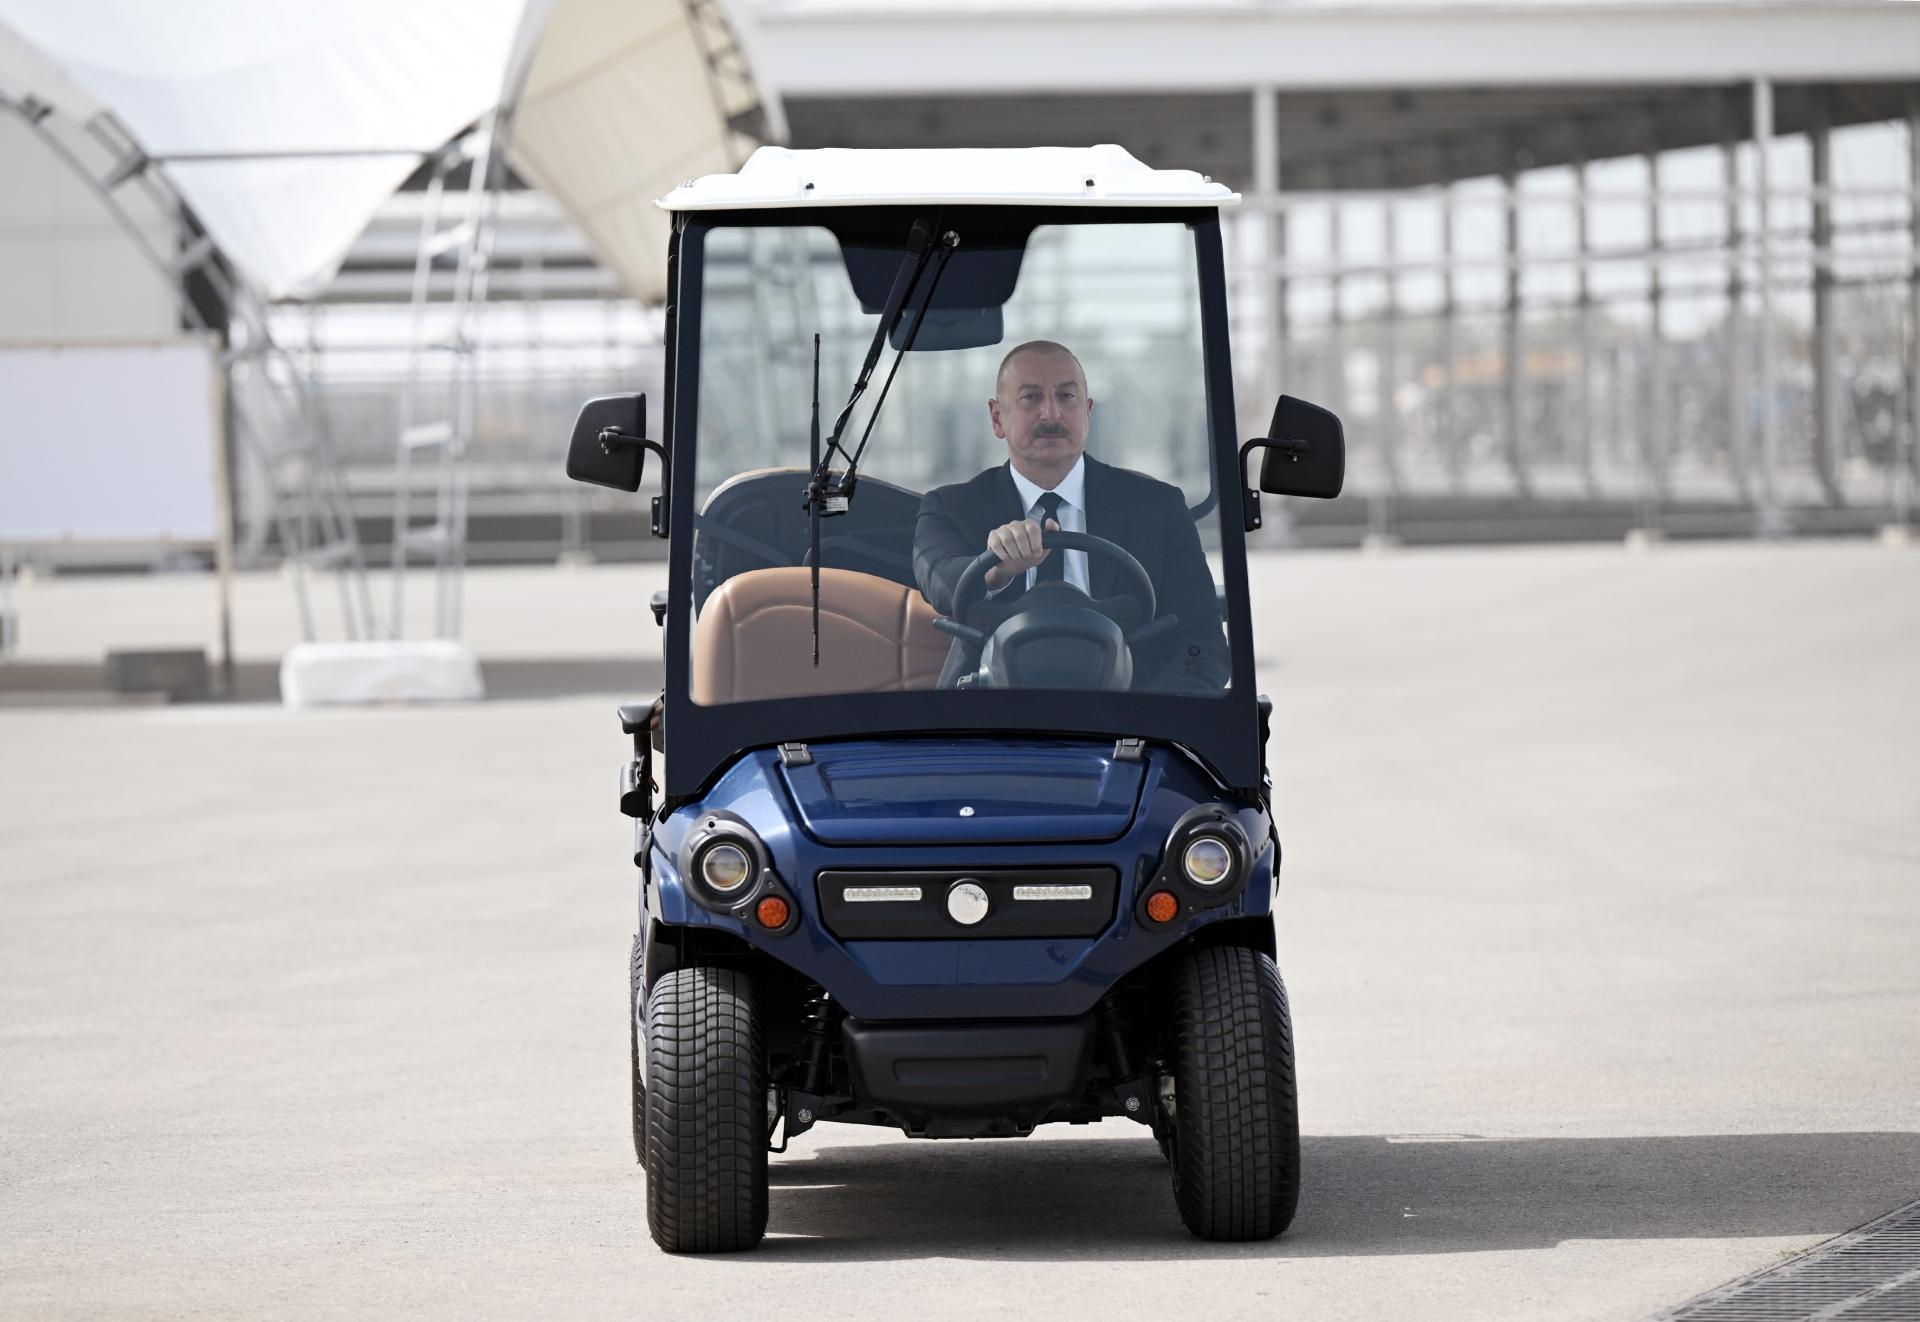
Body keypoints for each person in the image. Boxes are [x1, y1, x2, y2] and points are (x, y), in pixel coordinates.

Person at [913, 339, 1229, 692]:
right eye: (1031, 397)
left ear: (1087, 411)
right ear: (997, 417)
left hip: (1127, 730)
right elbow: (940, 580)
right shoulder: (950, 507)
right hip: (988, 724)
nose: (1051, 414)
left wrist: (1149, 722)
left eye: (1067, 397)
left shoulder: (1159, 508)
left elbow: (1203, 642)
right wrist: (997, 570)